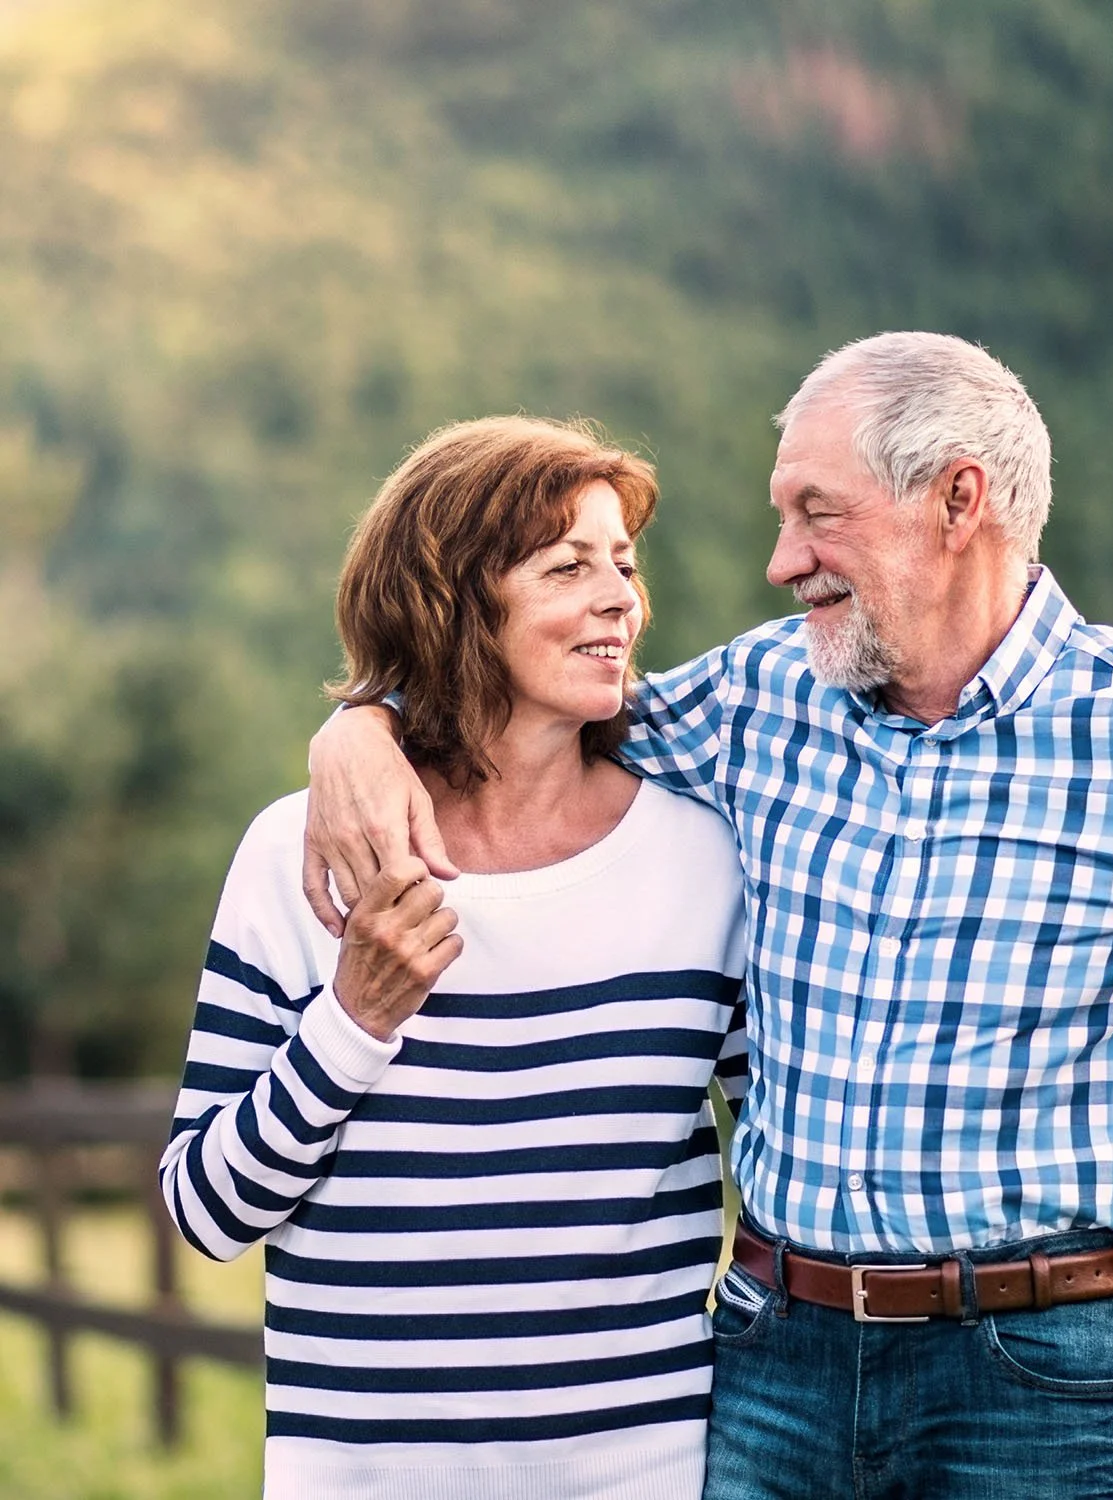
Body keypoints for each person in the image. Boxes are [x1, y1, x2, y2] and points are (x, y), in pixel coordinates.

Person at [304, 334, 1113, 1500]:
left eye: (818, 513)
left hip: (1031, 1378)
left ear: (956, 499)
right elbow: (529, 695)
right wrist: (360, 720)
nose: (782, 560)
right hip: (774, 1357)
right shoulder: (765, 694)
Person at [161, 416, 748, 1500]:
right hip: (358, 1479)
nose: (622, 597)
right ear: (451, 598)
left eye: (624, 563)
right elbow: (205, 1214)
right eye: (569, 567)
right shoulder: (298, 857)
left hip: (647, 1473)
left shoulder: (704, 861)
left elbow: (801, 1156)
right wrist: (351, 1022)